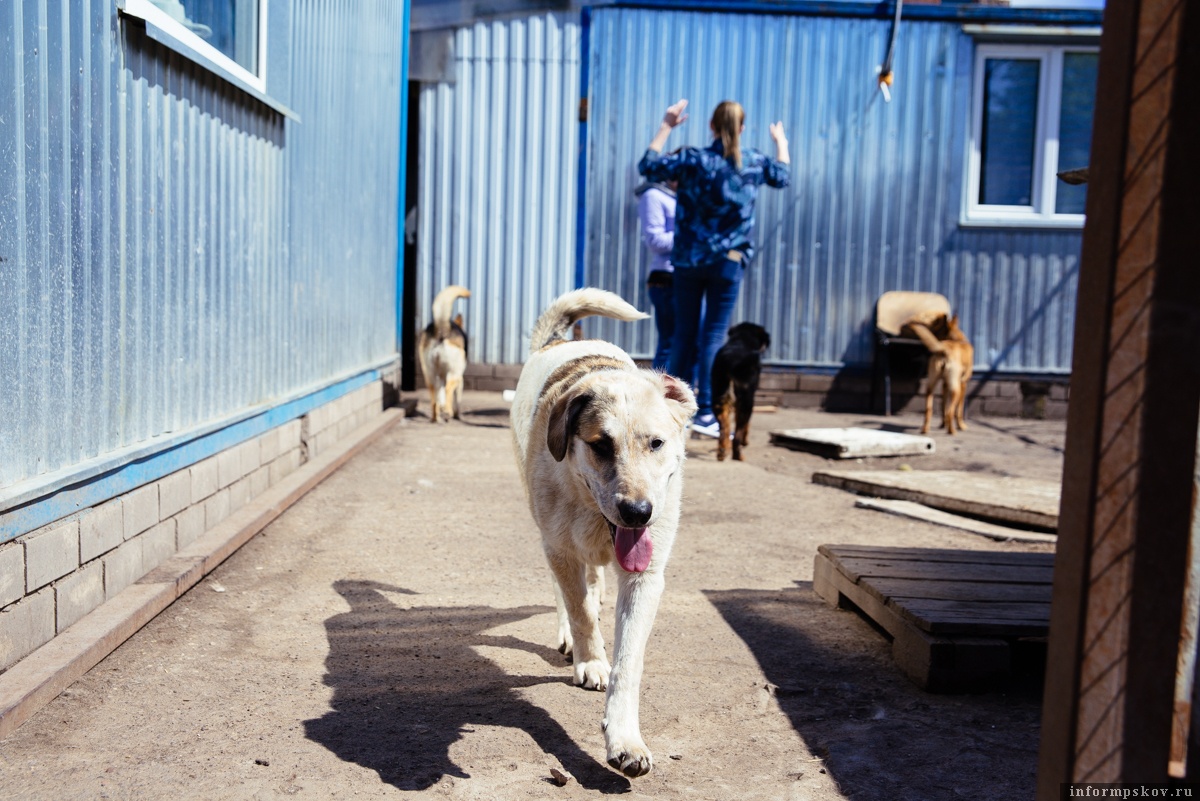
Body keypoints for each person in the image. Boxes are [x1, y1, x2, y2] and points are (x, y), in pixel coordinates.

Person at [637, 99, 790, 436]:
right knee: (713, 336)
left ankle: (667, 408)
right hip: (728, 263)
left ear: (711, 126)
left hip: (689, 261)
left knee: (683, 336)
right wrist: (781, 142)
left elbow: (648, 166)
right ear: (742, 128)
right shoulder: (752, 162)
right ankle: (706, 411)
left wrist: (667, 125)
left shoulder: (693, 159)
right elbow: (782, 176)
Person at [634, 178, 677, 370]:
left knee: (691, 342)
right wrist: (691, 237)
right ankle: (661, 395)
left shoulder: (681, 197)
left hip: (686, 278)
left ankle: (686, 393)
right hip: (666, 279)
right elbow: (655, 241)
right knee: (670, 341)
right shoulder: (653, 196)